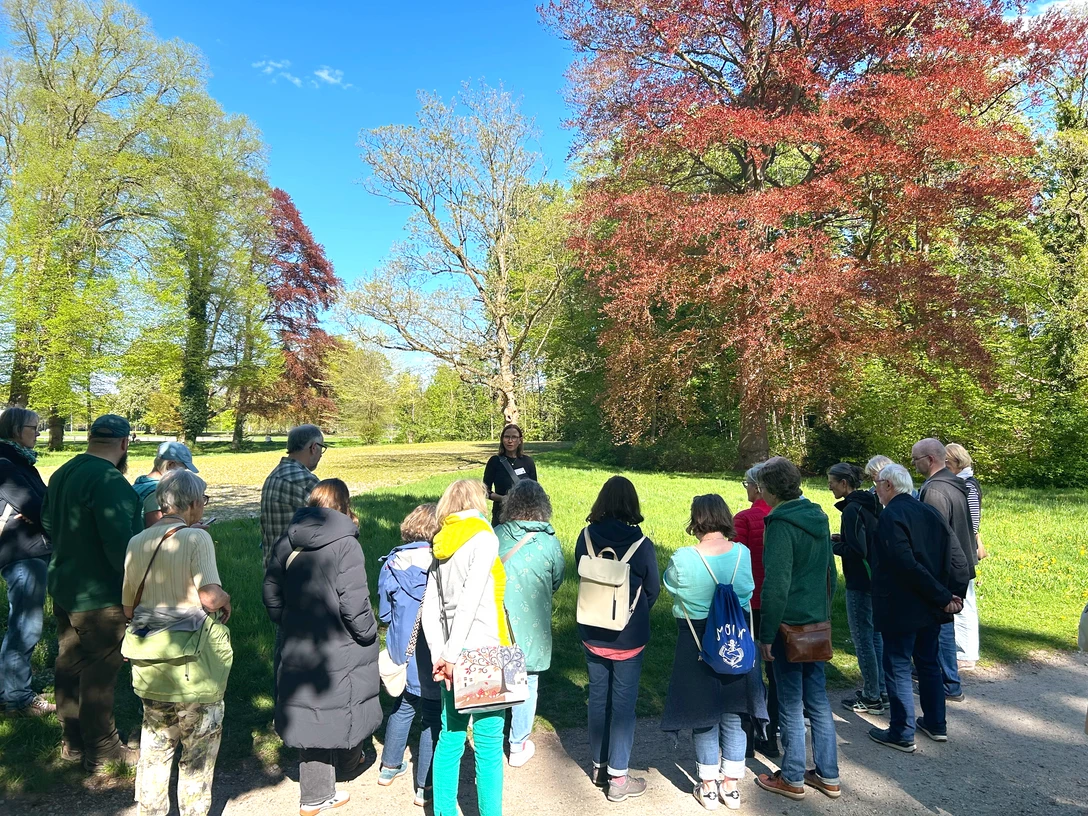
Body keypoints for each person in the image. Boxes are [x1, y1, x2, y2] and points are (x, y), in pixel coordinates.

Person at [264, 479, 381, 816]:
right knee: (345, 702)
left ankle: (324, 784)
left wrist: (286, 620)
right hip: (340, 640)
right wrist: (368, 633)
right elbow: (354, 602)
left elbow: (270, 588)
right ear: (344, 505)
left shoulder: (287, 540)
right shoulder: (347, 545)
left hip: (299, 640)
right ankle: (321, 791)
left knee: (310, 712)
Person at [122, 470, 232, 816]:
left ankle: (150, 810)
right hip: (192, 664)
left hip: (149, 660)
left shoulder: (137, 541)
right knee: (197, 753)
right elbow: (210, 598)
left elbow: (128, 606)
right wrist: (226, 597)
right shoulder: (196, 540)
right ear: (194, 503)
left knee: (155, 745)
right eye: (204, 500)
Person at [41, 414, 143, 772]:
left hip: (65, 585)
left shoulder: (63, 472)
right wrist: (137, 591)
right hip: (100, 596)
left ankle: (72, 742)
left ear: (90, 439)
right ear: (124, 444)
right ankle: (102, 749)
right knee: (100, 670)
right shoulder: (110, 482)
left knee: (69, 662)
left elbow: (49, 524)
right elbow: (121, 548)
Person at [662, 494, 766, 811]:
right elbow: (747, 593)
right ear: (724, 517)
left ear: (695, 520)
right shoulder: (742, 554)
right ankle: (731, 786)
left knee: (704, 716)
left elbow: (672, 587)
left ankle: (708, 787)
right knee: (735, 715)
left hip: (697, 643)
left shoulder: (683, 557)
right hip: (736, 639)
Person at [420, 479, 509, 816]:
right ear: (478, 502)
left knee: (451, 735)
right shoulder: (484, 537)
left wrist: (440, 654)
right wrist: (452, 654)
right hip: (483, 650)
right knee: (487, 743)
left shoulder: (441, 542)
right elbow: (471, 600)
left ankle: (443, 811)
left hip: (449, 654)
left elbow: (430, 605)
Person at [753, 457, 840, 802]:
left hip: (788, 625)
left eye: (760, 487)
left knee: (790, 703)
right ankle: (827, 774)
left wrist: (765, 634)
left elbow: (776, 584)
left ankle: (791, 777)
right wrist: (824, 613)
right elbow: (829, 574)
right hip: (815, 624)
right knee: (817, 700)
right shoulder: (817, 516)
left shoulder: (779, 523)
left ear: (770, 489)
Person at [868, 464, 966, 753]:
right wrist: (952, 593)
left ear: (888, 485)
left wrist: (944, 595)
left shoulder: (891, 516)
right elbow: (957, 554)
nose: (875, 491)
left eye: (876, 485)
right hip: (930, 604)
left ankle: (902, 731)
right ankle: (936, 723)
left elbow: (905, 563)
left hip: (902, 604)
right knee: (928, 662)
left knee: (898, 663)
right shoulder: (929, 511)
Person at [574, 475, 660, 803]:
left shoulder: (585, 537)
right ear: (632, 504)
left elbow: (580, 574)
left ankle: (598, 766)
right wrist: (632, 613)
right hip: (629, 636)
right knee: (624, 705)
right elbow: (651, 590)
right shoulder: (642, 545)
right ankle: (619, 778)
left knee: (598, 699)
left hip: (592, 631)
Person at [495, 480, 565, 768]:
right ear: (542, 506)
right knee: (529, 679)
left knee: (499, 675)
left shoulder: (496, 534)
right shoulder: (549, 542)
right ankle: (517, 743)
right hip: (532, 619)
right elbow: (557, 579)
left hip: (498, 618)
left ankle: (490, 733)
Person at [376, 504, 442, 807]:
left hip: (403, 648)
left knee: (402, 707)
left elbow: (385, 613)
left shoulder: (391, 562)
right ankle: (424, 786)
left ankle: (388, 767)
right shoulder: (441, 563)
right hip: (433, 652)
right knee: (432, 716)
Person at [911, 437, 976, 702]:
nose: (913, 465)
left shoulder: (935, 490)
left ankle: (949, 681)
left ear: (929, 459)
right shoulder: (954, 483)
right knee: (945, 624)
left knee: (942, 625)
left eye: (915, 459)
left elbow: (934, 536)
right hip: (959, 562)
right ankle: (947, 677)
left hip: (945, 567)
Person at [0, 407, 54, 717]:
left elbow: (40, 505)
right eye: (34, 428)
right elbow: (39, 508)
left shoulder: (19, 461)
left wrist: (38, 514)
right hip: (23, 554)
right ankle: (18, 699)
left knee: (21, 624)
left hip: (29, 549)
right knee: (25, 626)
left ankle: (7, 691)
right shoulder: (6, 465)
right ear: (16, 430)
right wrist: (39, 516)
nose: (39, 432)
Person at [827, 462, 886, 713]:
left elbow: (857, 550)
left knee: (863, 639)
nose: (828, 485)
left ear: (844, 483)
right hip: (876, 579)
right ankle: (881, 688)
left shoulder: (851, 510)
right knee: (875, 637)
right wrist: (844, 539)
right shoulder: (871, 504)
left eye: (832, 481)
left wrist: (830, 546)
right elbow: (867, 540)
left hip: (860, 581)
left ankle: (872, 696)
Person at [732, 462, 778, 758]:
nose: (746, 490)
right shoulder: (779, 516)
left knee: (748, 671)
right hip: (778, 603)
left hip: (751, 604)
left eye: (747, 484)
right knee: (776, 673)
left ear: (757, 486)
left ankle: (746, 738)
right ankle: (771, 736)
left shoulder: (746, 518)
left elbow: (737, 563)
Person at [260, 425, 325, 569]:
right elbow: (335, 522)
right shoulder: (305, 480)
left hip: (272, 568)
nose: (321, 454)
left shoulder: (274, 475)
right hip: (299, 572)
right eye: (322, 448)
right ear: (314, 447)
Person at [945, 442, 985, 671]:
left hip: (963, 551)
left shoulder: (968, 486)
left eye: (948, 463)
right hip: (962, 550)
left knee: (965, 602)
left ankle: (968, 653)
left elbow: (972, 522)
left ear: (958, 463)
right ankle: (960, 650)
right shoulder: (963, 484)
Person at [133, 441, 199, 528]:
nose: (184, 474)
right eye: (183, 469)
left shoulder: (141, 483)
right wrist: (190, 530)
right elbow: (156, 532)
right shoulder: (156, 492)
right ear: (170, 465)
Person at [483, 424, 538, 527]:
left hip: (525, 515)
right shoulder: (494, 461)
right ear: (502, 439)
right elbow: (485, 491)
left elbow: (535, 491)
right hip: (502, 514)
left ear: (520, 440)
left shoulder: (528, 462)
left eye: (514, 437)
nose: (510, 440)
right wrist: (503, 499)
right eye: (507, 437)